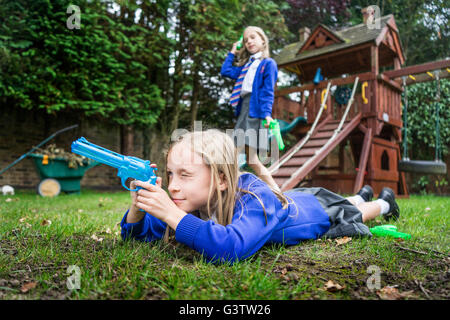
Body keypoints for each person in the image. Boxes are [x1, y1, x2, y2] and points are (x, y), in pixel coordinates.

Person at [120, 129, 400, 264]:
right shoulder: (191, 202)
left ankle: (385, 201)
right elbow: (139, 236)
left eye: (185, 175)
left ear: (220, 179)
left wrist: (171, 213)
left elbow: (230, 249)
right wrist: (138, 211)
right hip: (292, 196)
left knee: (353, 211)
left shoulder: (253, 197)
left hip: (314, 210)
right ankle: (359, 194)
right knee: (349, 200)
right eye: (170, 174)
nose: (173, 186)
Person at [220, 26, 279, 190]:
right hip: (244, 110)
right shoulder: (246, 66)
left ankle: (276, 192)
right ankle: (274, 191)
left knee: (239, 155)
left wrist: (266, 114)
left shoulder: (268, 64)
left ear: (263, 40)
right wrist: (233, 52)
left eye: (253, 37)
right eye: (246, 40)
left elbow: (268, 92)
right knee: (247, 159)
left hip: (256, 112)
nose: (249, 42)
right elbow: (225, 71)